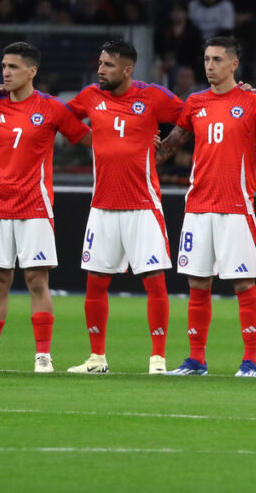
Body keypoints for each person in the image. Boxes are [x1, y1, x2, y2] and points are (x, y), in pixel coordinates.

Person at [0, 42, 90, 372]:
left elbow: (89, 139)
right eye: (4, 65)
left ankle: (43, 356)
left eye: (14, 66)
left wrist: (139, 139)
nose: (6, 71)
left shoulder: (52, 108)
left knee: (36, 281)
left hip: (35, 208)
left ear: (32, 72)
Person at [155, 37, 256, 377]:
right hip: (197, 205)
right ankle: (196, 360)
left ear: (234, 65)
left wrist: (251, 159)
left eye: (217, 60)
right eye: (206, 59)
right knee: (197, 283)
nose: (209, 65)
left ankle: (250, 361)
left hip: (236, 205)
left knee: (243, 284)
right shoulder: (195, 102)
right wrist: (145, 147)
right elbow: (168, 147)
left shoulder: (253, 102)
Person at [66, 41, 184, 375]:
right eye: (100, 64)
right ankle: (96, 358)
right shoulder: (90, 95)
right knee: (96, 283)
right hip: (102, 206)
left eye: (108, 65)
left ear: (127, 70)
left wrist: (168, 146)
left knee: (154, 282)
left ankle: (157, 360)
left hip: (142, 205)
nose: (100, 70)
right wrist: (91, 139)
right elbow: (58, 117)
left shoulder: (153, 96)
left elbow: (193, 116)